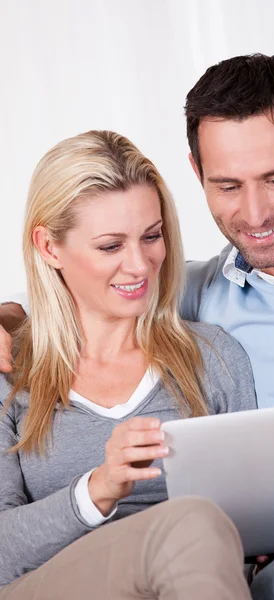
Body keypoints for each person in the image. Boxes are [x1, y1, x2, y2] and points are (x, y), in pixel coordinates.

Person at [2, 53, 274, 599]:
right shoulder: (204, 291)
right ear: (197, 174)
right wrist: (6, 317)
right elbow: (74, 293)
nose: (254, 214)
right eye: (227, 186)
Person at [0, 130, 256, 599]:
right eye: (110, 246)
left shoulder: (214, 357)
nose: (139, 265)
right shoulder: (9, 371)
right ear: (49, 247)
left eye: (151, 236)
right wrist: (96, 490)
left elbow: (253, 516)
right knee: (192, 521)